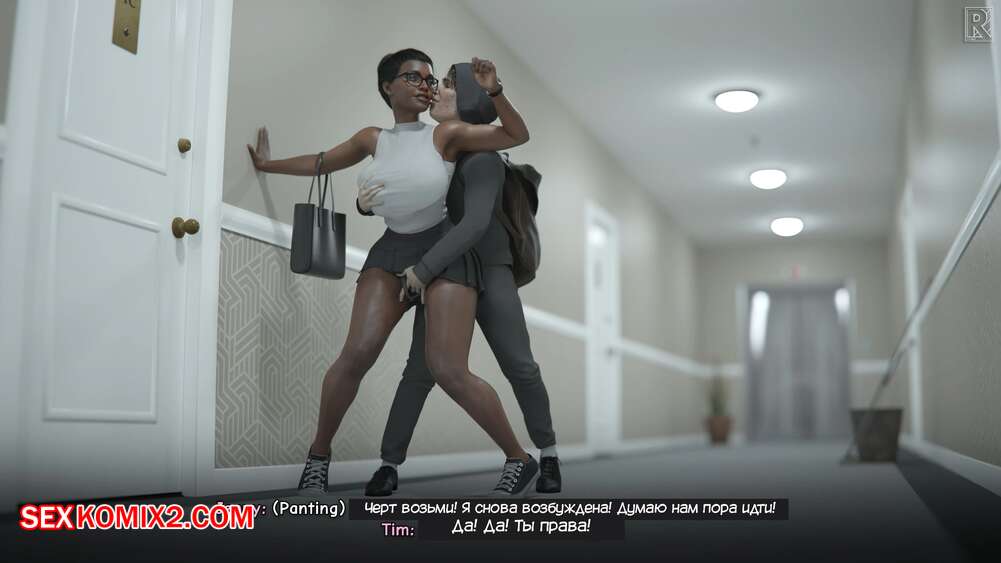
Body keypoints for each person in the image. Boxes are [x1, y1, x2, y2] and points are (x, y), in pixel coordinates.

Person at [247, 48, 538, 496]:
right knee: (356, 354)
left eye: (430, 79)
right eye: (413, 77)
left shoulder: (446, 134)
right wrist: (268, 165)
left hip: (443, 254)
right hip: (391, 251)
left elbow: (516, 135)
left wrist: (495, 91)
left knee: (448, 369)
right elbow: (322, 161)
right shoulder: (373, 138)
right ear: (388, 86)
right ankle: (318, 459)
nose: (426, 85)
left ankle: (519, 458)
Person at [357, 62, 561, 497]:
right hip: (448, 271)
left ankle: (548, 456)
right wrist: (364, 204)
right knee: (419, 370)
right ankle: (388, 465)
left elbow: (474, 224)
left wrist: (422, 269)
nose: (436, 91)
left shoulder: (483, 158)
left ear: (468, 99)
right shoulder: (439, 150)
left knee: (519, 365)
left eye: (447, 85)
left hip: (485, 271)